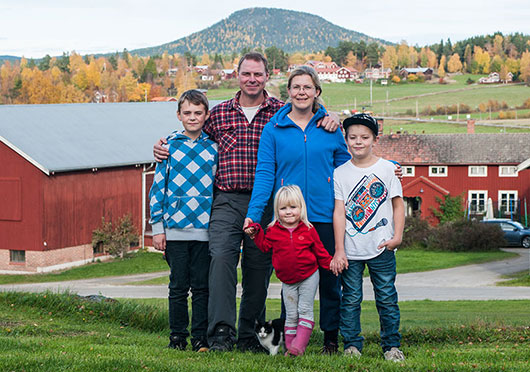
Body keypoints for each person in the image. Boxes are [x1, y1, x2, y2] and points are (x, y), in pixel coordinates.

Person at [153, 53, 340, 353]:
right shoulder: (220, 113)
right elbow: (192, 134)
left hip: (267, 203)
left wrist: (331, 117)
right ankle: (221, 333)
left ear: (267, 77)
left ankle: (250, 335)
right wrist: (164, 145)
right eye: (246, 74)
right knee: (222, 260)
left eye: (258, 74)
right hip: (227, 199)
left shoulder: (280, 112)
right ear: (237, 76)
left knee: (258, 267)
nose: (252, 79)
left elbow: (310, 108)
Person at [244, 65, 351, 354]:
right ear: (288, 92)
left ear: (317, 92)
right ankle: (287, 340)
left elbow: (347, 168)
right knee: (289, 280)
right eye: (296, 87)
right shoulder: (274, 129)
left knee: (330, 281)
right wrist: (254, 215)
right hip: (288, 219)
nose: (301, 92)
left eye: (308, 87)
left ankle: (331, 339)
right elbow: (265, 174)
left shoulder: (329, 128)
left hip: (324, 214)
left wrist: (389, 170)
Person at [331, 113, 406, 362]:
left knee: (386, 297)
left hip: (382, 246)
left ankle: (391, 346)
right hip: (351, 249)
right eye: (352, 137)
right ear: (346, 139)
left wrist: (397, 237)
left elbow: (398, 205)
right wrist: (339, 249)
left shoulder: (387, 169)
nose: (358, 142)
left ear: (374, 139)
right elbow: (339, 212)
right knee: (350, 299)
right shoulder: (340, 173)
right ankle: (352, 345)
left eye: (364, 137)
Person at [149, 90, 217, 352]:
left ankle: (200, 338)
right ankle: (177, 337)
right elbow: (158, 189)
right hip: (174, 231)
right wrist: (158, 229)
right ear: (178, 115)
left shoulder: (213, 148)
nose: (193, 117)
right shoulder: (168, 147)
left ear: (206, 115)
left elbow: (217, 188)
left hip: (204, 230)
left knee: (202, 288)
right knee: (178, 287)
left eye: (198, 113)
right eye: (187, 113)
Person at [245, 185, 333, 356]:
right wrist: (256, 232)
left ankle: (298, 348)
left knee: (305, 310)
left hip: (309, 276)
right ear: (277, 210)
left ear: (301, 208)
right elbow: (264, 246)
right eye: (283, 208)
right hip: (287, 280)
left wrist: (331, 264)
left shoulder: (308, 229)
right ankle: (290, 349)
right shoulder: (273, 230)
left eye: (293, 207)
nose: (288, 212)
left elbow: (320, 251)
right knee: (291, 314)